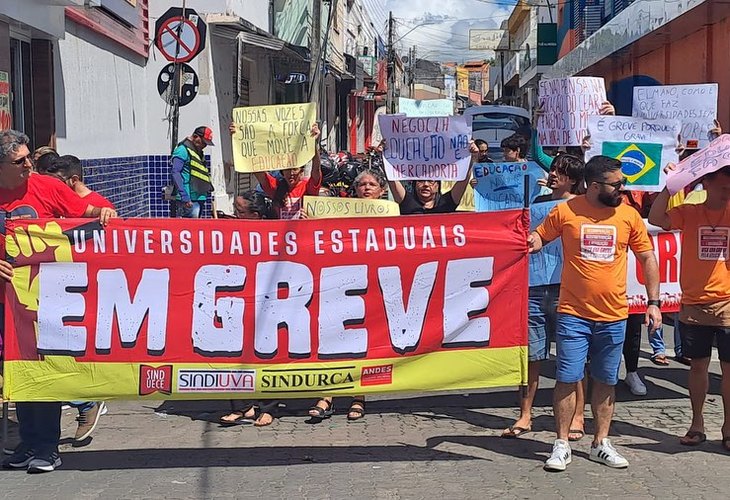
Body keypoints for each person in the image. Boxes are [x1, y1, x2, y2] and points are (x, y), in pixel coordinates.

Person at [530, 155, 662, 471]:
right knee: (567, 377)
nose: (623, 189)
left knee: (605, 379)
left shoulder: (629, 215)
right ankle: (561, 444)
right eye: (617, 184)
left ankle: (601, 442)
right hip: (573, 313)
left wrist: (653, 303)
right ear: (593, 185)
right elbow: (538, 238)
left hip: (614, 315)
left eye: (623, 183)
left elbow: (647, 259)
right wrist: (521, 240)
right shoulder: (565, 211)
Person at [0, 130, 116, 474]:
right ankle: (30, 442)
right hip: (7, 301)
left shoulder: (46, 187)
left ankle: (47, 447)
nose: (29, 165)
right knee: (19, 373)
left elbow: (88, 210)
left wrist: (105, 212)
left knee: (43, 370)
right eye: (20, 160)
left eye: (29, 157)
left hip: (45, 297)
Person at [503, 153, 588, 441]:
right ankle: (525, 415)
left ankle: (577, 415)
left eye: (561, 172)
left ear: (574, 180)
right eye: (552, 170)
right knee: (531, 357)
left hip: (568, 287)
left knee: (571, 357)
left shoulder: (583, 207)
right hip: (534, 285)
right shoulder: (537, 203)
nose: (553, 175)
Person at [648, 163, 730, 449]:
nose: (727, 193)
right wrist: (671, 186)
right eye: (722, 188)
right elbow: (657, 217)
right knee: (698, 367)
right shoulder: (690, 212)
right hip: (694, 304)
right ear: (706, 184)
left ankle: (729, 428)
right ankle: (697, 424)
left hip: (729, 304)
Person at [307, 169, 389, 422]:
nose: (366, 188)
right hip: (340, 285)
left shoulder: (391, 217)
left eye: (372, 184)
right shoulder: (341, 211)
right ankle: (327, 396)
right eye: (361, 184)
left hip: (373, 288)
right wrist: (306, 222)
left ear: (381, 191)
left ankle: (358, 397)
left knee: (364, 344)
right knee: (332, 339)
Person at [219, 191, 279, 427]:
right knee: (235, 353)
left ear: (256, 215)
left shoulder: (273, 233)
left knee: (266, 354)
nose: (235, 214)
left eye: (240, 211)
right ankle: (242, 406)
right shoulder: (232, 232)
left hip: (267, 302)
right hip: (238, 301)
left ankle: (268, 407)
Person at [252, 124, 322, 219]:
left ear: (301, 171)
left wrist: (313, 143)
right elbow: (257, 171)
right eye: (287, 170)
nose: (291, 173)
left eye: (295, 169)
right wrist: (239, 139)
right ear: (282, 172)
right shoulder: (277, 187)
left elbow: (316, 170)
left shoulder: (307, 187)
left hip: (303, 232)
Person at [389, 142, 478, 215]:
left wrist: (471, 157)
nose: (426, 185)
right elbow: (392, 180)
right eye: (421, 181)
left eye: (431, 181)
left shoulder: (445, 204)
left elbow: (463, 181)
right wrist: (384, 154)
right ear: (414, 184)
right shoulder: (408, 203)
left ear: (437, 185)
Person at [171, 126, 214, 218]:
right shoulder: (182, 150)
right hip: (189, 199)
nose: (204, 145)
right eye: (203, 142)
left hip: (199, 197)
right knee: (189, 228)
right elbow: (176, 173)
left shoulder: (197, 151)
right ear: (195, 137)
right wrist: (184, 196)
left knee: (196, 229)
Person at [44, 155, 115, 209]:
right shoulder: (58, 202)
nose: (52, 185)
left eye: (57, 182)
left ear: (74, 180)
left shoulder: (102, 207)